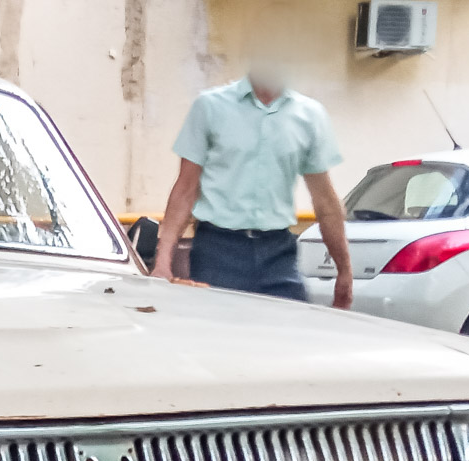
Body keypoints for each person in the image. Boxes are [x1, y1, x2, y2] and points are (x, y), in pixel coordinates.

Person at [150, 63, 353, 310]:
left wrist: (344, 271)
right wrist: (162, 262)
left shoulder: (310, 115)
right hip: (218, 251)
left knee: (289, 337)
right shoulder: (210, 107)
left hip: (278, 254)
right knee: (216, 340)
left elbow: (325, 202)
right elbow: (185, 190)